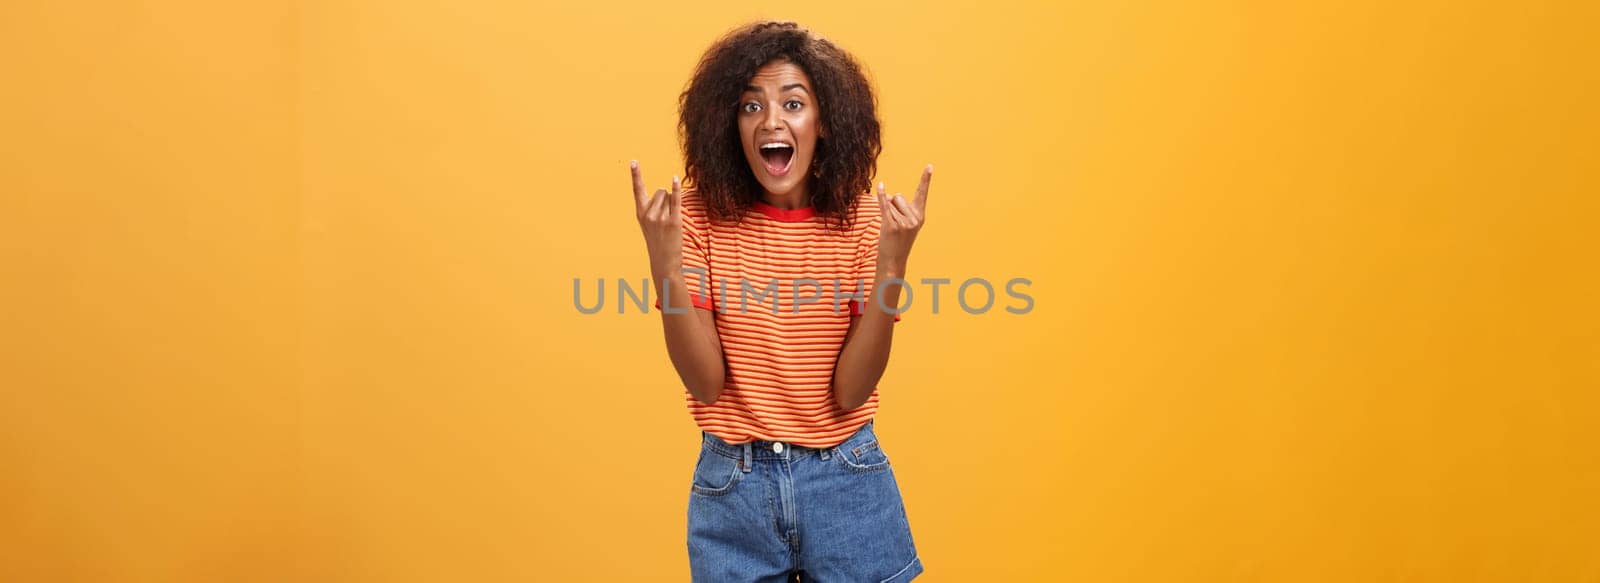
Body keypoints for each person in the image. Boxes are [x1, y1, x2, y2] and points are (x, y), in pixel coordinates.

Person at [629, 20, 931, 582]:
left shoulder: (868, 223)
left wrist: (892, 266)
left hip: (845, 477)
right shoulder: (694, 217)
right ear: (728, 124)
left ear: (825, 123)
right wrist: (664, 265)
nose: (771, 121)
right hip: (733, 487)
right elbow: (705, 384)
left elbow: (851, 392)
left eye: (793, 103)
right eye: (750, 107)